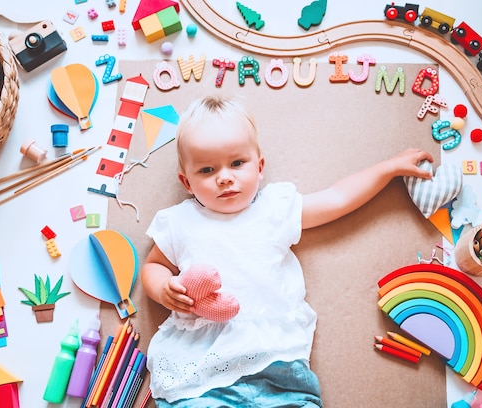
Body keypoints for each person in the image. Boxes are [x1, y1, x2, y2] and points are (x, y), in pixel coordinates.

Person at [140, 95, 434, 407]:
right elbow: (153, 265)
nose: (225, 177)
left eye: (237, 163)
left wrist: (387, 169)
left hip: (277, 361)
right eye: (207, 170)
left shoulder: (275, 208)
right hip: (202, 370)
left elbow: (337, 199)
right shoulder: (179, 221)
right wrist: (162, 288)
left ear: (260, 166)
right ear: (187, 181)